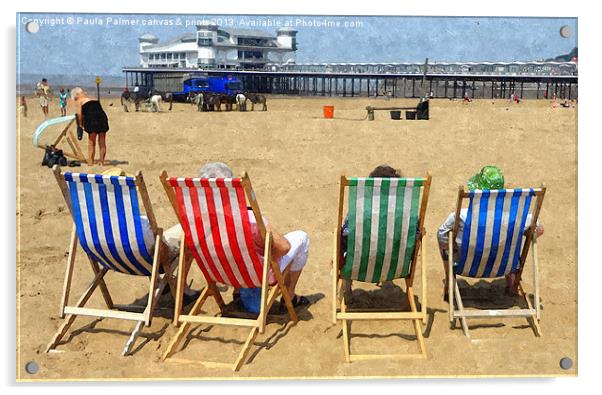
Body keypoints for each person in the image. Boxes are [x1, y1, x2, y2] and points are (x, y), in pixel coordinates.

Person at [163, 162, 311, 310]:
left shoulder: (195, 224)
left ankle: (239, 290)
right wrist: (271, 260)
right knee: (301, 238)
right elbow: (284, 247)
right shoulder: (249, 219)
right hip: (257, 275)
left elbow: (188, 252)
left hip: (220, 274)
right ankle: (289, 297)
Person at [436, 166, 544, 297]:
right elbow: (539, 230)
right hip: (504, 264)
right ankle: (512, 280)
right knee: (509, 243)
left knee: (446, 243)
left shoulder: (463, 216)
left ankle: (450, 280)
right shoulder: (518, 217)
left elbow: (442, 234)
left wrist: (453, 249)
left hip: (466, 264)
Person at [71, 87, 110, 166]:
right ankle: (101, 161)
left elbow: (79, 114)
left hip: (92, 119)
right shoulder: (92, 97)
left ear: (77, 95)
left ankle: (90, 162)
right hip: (102, 117)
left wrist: (80, 124)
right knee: (102, 141)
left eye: (75, 98)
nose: (75, 100)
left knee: (91, 142)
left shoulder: (80, 100)